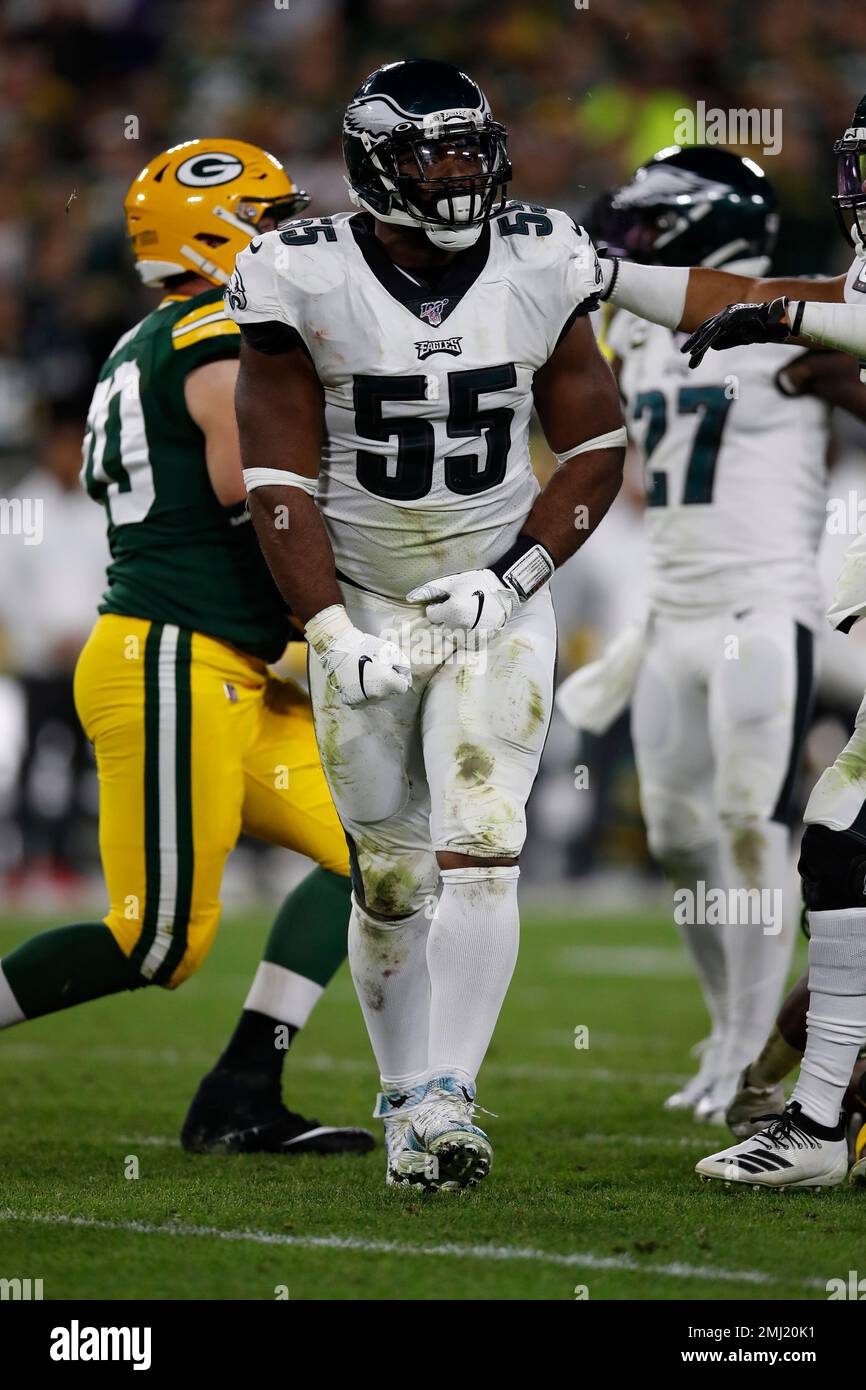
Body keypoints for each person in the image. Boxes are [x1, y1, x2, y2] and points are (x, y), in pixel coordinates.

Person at [225, 59, 626, 1189]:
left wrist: (513, 577)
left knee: (485, 840)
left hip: (495, 590)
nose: (454, 172)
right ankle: (403, 1091)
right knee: (390, 871)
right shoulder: (299, 274)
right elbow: (276, 477)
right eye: (427, 152)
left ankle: (448, 1097)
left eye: (466, 147)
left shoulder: (541, 257)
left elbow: (594, 448)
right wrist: (327, 625)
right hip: (364, 598)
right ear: (368, 164)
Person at [0, 139, 373, 1159]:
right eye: (272, 217)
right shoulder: (215, 330)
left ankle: (242, 1088)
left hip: (228, 665)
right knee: (155, 941)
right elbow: (252, 493)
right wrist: (340, 611)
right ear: (216, 234)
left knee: (384, 854)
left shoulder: (150, 338)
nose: (296, 236)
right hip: (172, 655)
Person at [595, 98, 866, 1186]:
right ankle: (745, 1040)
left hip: (765, 601)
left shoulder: (799, 319)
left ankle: (779, 1068)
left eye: (655, 224)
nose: (636, 237)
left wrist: (792, 335)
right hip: (671, 605)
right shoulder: (630, 328)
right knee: (690, 833)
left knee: (780, 826)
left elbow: (807, 326)